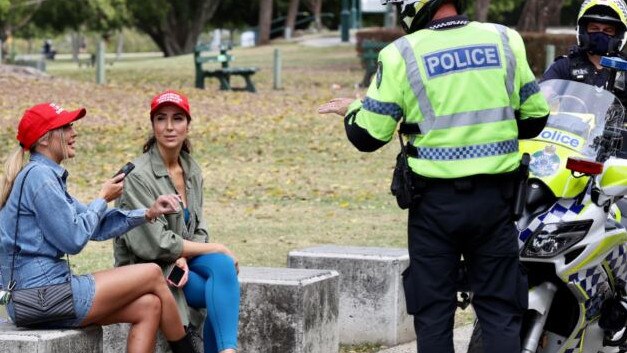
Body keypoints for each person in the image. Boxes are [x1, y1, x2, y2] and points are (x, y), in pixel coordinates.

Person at [318, 1, 550, 352]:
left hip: (434, 208)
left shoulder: (401, 53)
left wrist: (354, 108)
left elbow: (368, 135)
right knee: (500, 312)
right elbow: (535, 118)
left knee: (433, 313)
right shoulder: (506, 39)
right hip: (496, 202)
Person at [0, 102, 199, 353]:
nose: (74, 133)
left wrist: (148, 213)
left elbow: (94, 225)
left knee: (148, 306)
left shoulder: (42, 175)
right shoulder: (39, 177)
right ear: (44, 139)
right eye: (66, 127)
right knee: (151, 273)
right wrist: (102, 198)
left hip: (40, 296)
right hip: (43, 295)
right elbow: (73, 239)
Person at [113, 90, 240, 353]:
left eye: (177, 119)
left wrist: (188, 252)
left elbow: (199, 227)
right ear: (153, 125)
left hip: (183, 262)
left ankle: (228, 351)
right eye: (161, 119)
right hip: (151, 269)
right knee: (215, 288)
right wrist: (209, 248)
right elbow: (154, 244)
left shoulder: (191, 168)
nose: (169, 127)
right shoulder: (137, 176)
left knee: (223, 266)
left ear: (188, 125)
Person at [543, 0, 627, 106]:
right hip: (571, 123)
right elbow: (541, 96)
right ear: (583, 31)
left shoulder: (625, 69)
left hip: (615, 122)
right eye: (594, 28)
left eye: (607, 30)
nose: (600, 34)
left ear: (618, 35)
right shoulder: (564, 66)